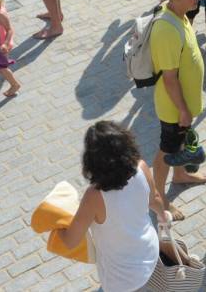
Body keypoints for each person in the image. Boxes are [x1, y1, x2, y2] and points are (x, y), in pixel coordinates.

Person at [55, 121, 167, 292]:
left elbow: (71, 241)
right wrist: (163, 218)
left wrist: (56, 226)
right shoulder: (142, 167)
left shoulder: (94, 196)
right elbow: (155, 200)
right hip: (149, 253)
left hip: (122, 278)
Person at [151, 0, 206, 218]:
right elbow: (169, 78)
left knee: (181, 143)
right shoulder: (165, 30)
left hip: (183, 103)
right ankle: (159, 199)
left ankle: (181, 174)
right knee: (167, 151)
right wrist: (183, 110)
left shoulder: (179, 13)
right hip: (174, 107)